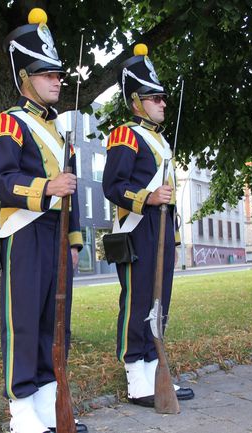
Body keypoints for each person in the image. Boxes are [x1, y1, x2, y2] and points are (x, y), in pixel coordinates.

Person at [0, 8, 87, 433]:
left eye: (58, 74)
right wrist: (46, 187)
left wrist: (77, 242)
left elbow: (73, 192)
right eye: (47, 74)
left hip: (57, 236)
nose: (57, 80)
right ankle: (22, 413)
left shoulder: (60, 132)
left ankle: (47, 407)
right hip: (24, 233)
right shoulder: (8, 123)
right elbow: (2, 181)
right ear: (25, 78)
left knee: (53, 324)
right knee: (24, 322)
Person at [102, 44, 194, 407]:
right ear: (137, 102)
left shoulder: (160, 140)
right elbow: (113, 186)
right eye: (155, 98)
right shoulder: (126, 135)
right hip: (137, 229)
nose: (162, 104)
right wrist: (148, 197)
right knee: (138, 301)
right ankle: (135, 376)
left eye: (163, 99)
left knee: (161, 304)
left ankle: (157, 370)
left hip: (161, 233)